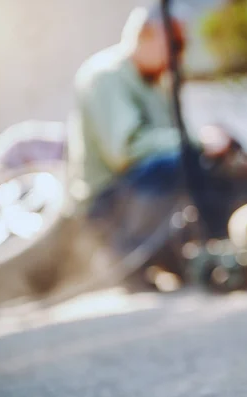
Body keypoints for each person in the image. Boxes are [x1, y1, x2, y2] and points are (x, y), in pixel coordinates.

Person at [67, 4, 187, 253]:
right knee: (178, 161)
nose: (179, 56)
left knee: (197, 162)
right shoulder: (105, 75)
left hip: (131, 192)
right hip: (106, 203)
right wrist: (195, 142)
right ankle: (130, 251)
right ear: (146, 34)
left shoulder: (153, 84)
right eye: (174, 45)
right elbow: (126, 152)